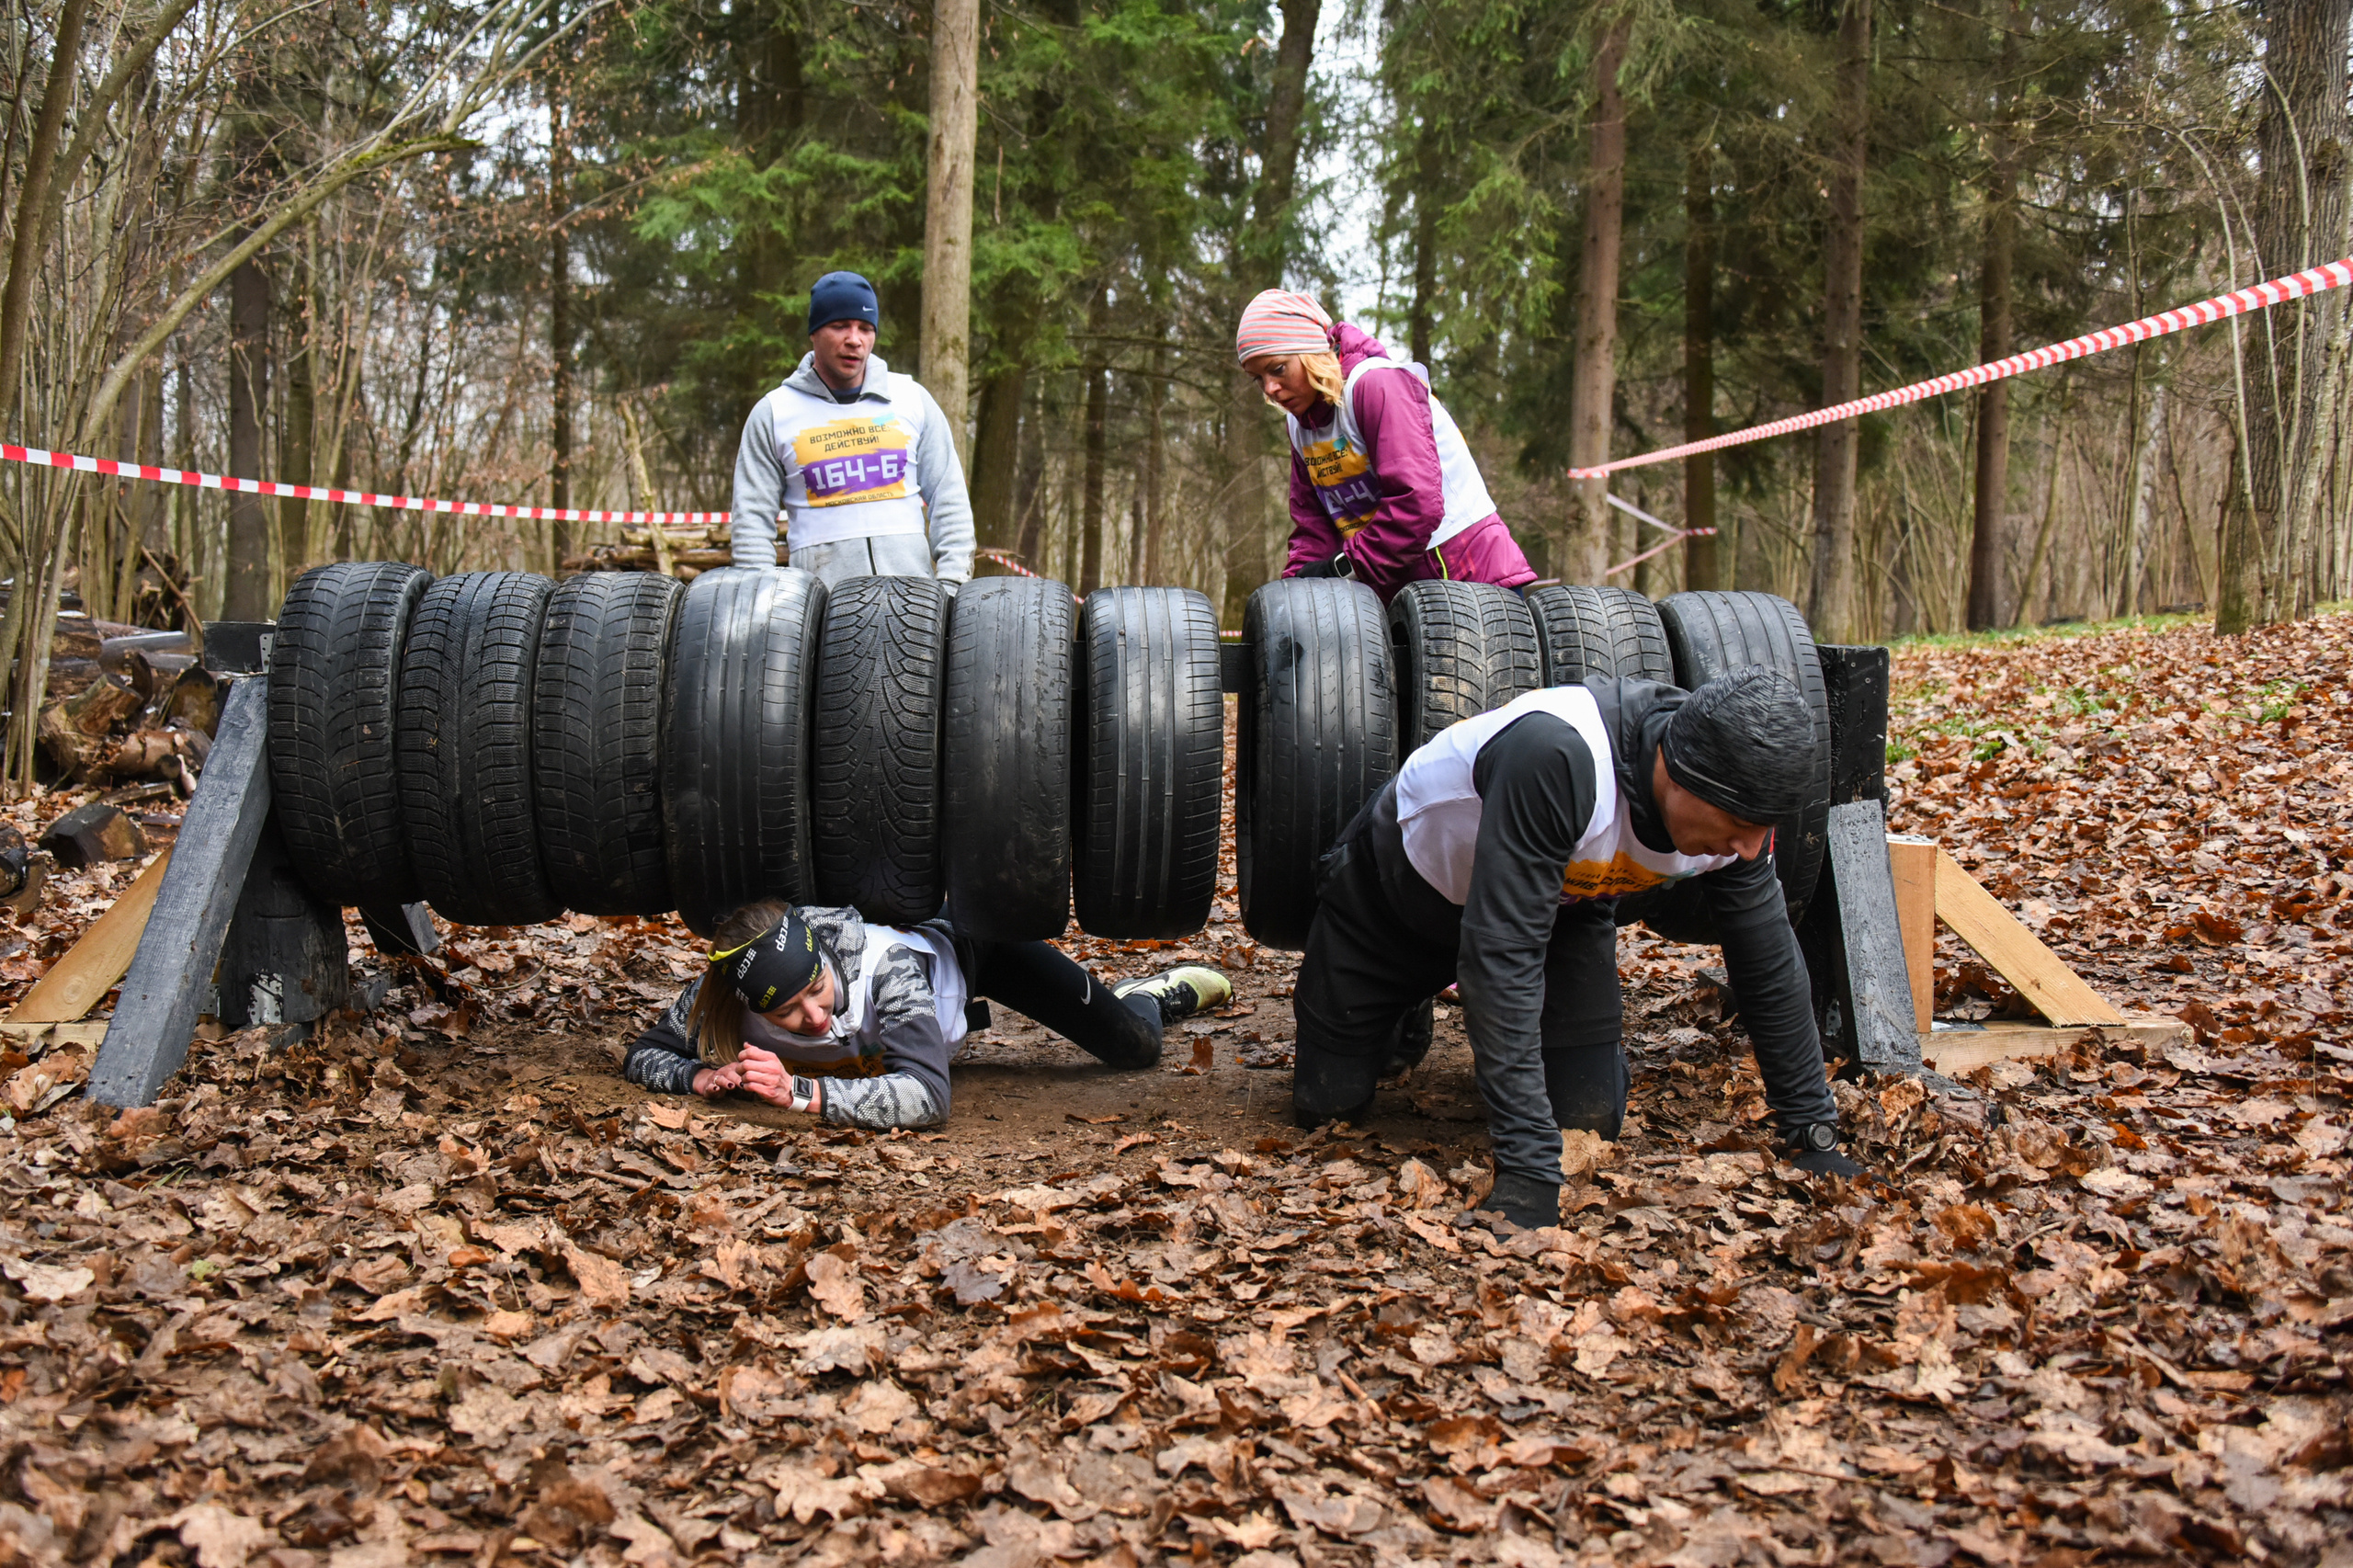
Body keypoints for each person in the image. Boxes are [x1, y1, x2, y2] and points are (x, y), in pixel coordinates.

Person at [1289, 666, 1860, 1232]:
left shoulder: (1737, 799)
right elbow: (1499, 958)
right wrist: (1529, 1172)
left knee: (1589, 1117)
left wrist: (1812, 1133)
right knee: (1328, 1106)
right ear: (1678, 773)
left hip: (1564, 910)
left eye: (1763, 827)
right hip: (1392, 905)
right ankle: (1404, 1004)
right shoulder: (1557, 755)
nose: (1749, 846)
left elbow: (1767, 962)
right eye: (1738, 824)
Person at [625, 900, 1229, 1130]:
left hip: (972, 946)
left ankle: (1147, 994)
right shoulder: (726, 998)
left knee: (1134, 1049)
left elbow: (929, 1097)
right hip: (890, 1009)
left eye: (818, 989)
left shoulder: (881, 969)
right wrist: (695, 1076)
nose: (812, 1016)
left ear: (824, 959)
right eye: (787, 1011)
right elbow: (644, 1053)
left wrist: (801, 1093)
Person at [1236, 290, 1537, 605]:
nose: (1270, 389)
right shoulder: (1300, 426)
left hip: (1469, 579)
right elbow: (1314, 527)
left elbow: (1417, 504)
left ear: (1311, 350)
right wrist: (1295, 599)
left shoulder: (1376, 386)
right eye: (1257, 378)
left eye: (1278, 369)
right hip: (1398, 592)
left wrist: (1343, 567)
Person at [729, 270, 975, 588]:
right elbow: (751, 521)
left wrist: (952, 586)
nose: (854, 339)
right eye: (840, 326)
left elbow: (949, 497)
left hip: (914, 611)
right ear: (814, 332)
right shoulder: (774, 413)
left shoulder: (911, 399)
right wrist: (759, 601)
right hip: (818, 619)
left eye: (865, 328)